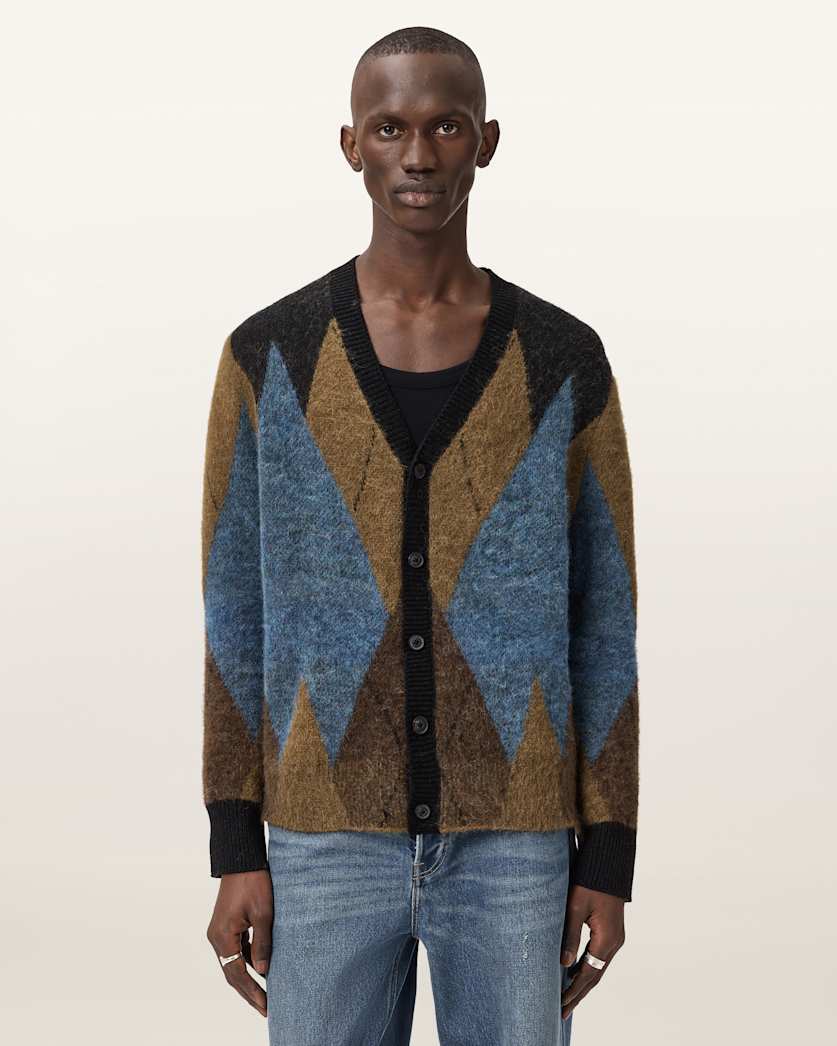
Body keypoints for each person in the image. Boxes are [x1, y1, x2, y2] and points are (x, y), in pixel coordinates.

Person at [201, 25, 639, 1046]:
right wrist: (235, 842)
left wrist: (607, 851)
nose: (418, 154)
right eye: (390, 126)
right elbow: (232, 616)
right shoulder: (269, 357)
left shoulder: (563, 361)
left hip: (517, 844)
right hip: (320, 841)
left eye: (445, 126)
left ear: (487, 141)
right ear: (349, 144)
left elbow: (605, 619)